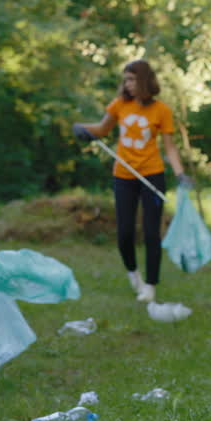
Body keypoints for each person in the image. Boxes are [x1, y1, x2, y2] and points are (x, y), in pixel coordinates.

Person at [73, 59, 187, 304]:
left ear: (145, 80)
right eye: (125, 79)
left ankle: (150, 286)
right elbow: (102, 129)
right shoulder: (119, 105)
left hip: (152, 176)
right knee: (124, 234)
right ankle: (134, 274)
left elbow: (170, 148)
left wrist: (180, 174)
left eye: (132, 79)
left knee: (151, 234)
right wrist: (82, 129)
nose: (127, 84)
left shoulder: (162, 111)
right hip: (123, 176)